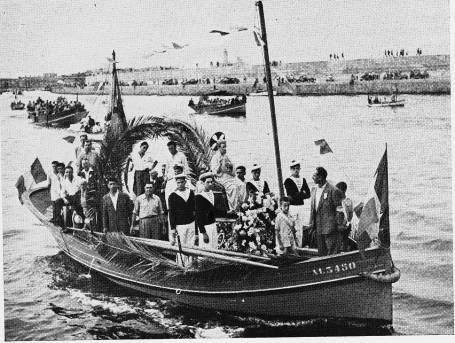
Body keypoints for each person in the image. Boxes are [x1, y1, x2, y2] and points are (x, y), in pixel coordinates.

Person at [308, 167, 343, 256]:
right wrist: (311, 224)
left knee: (332, 253)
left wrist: (338, 225)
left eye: (314, 175)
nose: (312, 177)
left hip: (330, 228)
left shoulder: (333, 190)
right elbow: (313, 209)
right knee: (322, 254)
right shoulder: (314, 190)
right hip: (318, 228)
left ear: (321, 177)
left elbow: (339, 209)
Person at [168, 174, 195, 266]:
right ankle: (181, 265)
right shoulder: (172, 196)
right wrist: (173, 227)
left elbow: (194, 208)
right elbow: (171, 213)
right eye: (178, 182)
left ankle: (190, 265)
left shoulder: (191, 193)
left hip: (191, 223)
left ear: (185, 182)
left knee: (191, 245)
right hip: (180, 225)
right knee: (181, 246)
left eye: (181, 182)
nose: (180, 184)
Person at [284, 160, 311, 247]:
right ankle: (292, 246)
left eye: (297, 168)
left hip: (301, 206)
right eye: (294, 169)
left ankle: (299, 246)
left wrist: (299, 195)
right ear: (291, 170)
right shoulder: (288, 180)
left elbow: (308, 194)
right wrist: (301, 194)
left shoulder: (303, 179)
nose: (296, 170)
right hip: (293, 206)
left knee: (300, 228)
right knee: (292, 227)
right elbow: (291, 196)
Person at [210, 140, 240, 210]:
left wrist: (230, 166)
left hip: (229, 177)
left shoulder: (226, 157)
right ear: (219, 148)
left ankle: (241, 207)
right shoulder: (215, 157)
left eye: (225, 147)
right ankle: (233, 209)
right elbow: (214, 172)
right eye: (223, 147)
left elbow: (233, 168)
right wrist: (220, 164)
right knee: (233, 188)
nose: (225, 149)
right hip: (221, 178)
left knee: (240, 184)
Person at [195, 172, 217, 249]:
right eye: (208, 182)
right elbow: (198, 216)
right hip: (205, 227)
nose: (210, 184)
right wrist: (203, 232)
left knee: (214, 247)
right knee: (206, 248)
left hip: (213, 225)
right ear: (203, 183)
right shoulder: (199, 197)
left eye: (211, 182)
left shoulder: (212, 193)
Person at [335, 181, 354, 252]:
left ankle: (338, 254)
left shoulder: (339, 201)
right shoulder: (348, 200)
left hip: (340, 226)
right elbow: (351, 214)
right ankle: (344, 253)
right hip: (346, 225)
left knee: (338, 242)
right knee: (344, 242)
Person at [47, 161, 63, 225]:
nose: (54, 168)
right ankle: (54, 218)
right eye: (53, 166)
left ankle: (58, 219)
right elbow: (49, 184)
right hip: (53, 191)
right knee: (54, 206)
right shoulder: (50, 174)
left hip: (59, 191)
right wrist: (49, 192)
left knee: (58, 206)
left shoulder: (60, 174)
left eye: (55, 166)